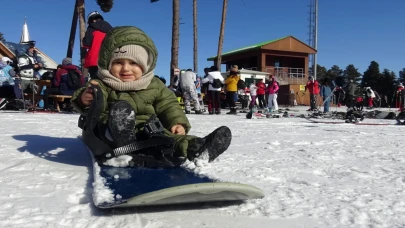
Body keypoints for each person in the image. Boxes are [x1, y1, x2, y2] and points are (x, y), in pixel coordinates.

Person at [71, 26, 232, 167]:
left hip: (147, 130)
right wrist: (85, 99)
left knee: (168, 138)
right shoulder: (103, 83)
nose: (126, 68)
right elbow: (93, 99)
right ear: (108, 64)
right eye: (118, 62)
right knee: (111, 122)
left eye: (134, 63)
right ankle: (121, 139)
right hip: (111, 129)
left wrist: (177, 123)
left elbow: (168, 104)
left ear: (145, 65)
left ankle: (197, 148)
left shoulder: (154, 84)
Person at [82, 11, 113, 80]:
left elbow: (86, 44)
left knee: (96, 82)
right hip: (109, 60)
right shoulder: (110, 29)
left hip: (94, 60)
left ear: (92, 20)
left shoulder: (91, 28)